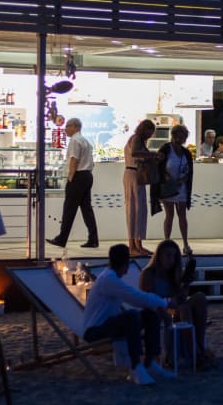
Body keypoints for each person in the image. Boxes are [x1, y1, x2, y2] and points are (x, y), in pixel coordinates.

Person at [81, 244, 172, 385]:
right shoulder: (109, 280)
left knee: (150, 315)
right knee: (132, 316)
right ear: (126, 265)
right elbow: (136, 297)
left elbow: (137, 298)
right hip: (94, 331)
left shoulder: (109, 277)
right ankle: (136, 367)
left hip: (106, 325)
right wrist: (166, 302)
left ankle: (149, 363)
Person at [139, 240, 210, 368]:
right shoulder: (148, 274)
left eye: (174, 256)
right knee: (183, 309)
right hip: (159, 311)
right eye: (168, 255)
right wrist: (171, 303)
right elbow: (148, 301)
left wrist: (186, 284)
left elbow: (180, 298)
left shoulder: (172, 274)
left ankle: (200, 347)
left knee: (200, 297)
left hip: (173, 308)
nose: (171, 260)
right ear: (159, 256)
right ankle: (196, 354)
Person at [47, 118, 99, 249]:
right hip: (87, 175)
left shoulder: (75, 140)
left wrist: (70, 177)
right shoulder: (85, 141)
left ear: (75, 127)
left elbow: (74, 160)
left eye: (67, 126)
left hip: (78, 176)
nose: (65, 129)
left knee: (69, 209)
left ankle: (62, 238)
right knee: (86, 209)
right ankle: (93, 239)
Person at [153, 124, 193, 255]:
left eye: (183, 137)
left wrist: (183, 180)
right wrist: (166, 177)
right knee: (169, 214)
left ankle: (185, 244)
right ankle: (166, 242)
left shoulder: (186, 152)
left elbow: (189, 171)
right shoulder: (165, 149)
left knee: (182, 214)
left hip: (182, 187)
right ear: (173, 135)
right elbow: (158, 166)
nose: (180, 139)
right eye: (178, 136)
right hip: (168, 186)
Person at [124, 119, 158, 257]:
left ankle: (138, 245)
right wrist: (153, 155)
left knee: (140, 210)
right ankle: (132, 245)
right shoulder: (136, 138)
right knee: (134, 210)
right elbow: (135, 153)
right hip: (133, 175)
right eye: (150, 132)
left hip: (136, 176)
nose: (150, 135)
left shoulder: (139, 140)